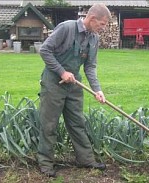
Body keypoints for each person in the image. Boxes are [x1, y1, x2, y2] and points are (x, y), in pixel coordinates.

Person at [37, 3, 111, 177]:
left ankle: (86, 160)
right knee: (49, 124)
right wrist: (62, 72)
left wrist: (97, 89)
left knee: (77, 123)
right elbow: (45, 51)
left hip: (74, 85)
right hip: (53, 83)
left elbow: (90, 67)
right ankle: (46, 164)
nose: (103, 28)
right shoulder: (67, 28)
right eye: (102, 24)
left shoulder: (94, 39)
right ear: (92, 19)